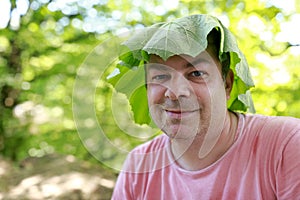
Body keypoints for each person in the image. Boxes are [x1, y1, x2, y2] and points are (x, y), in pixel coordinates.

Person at [111, 14, 300, 199]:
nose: (174, 92)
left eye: (195, 73)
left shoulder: (286, 145)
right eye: (160, 76)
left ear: (227, 83)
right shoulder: (139, 166)